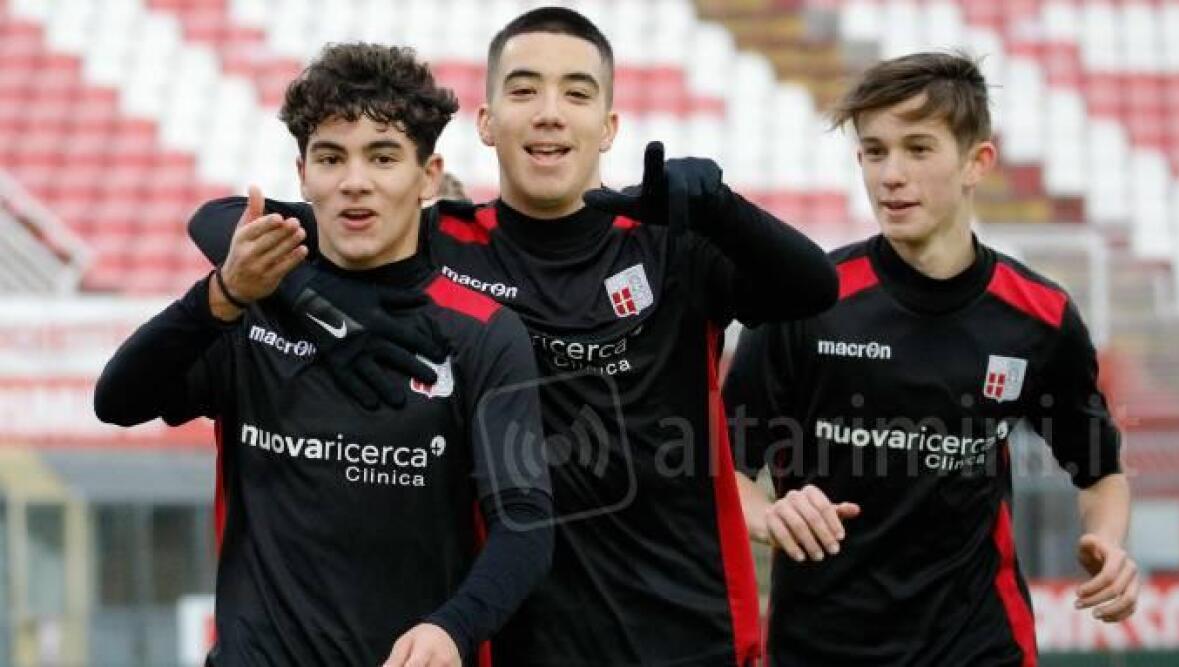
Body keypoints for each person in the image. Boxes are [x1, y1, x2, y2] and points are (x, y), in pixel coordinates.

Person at [188, 7, 838, 665]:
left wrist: (727, 211)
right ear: (488, 122)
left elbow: (814, 287)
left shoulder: (673, 247)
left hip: (691, 638)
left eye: (576, 92)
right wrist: (298, 290)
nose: (549, 111)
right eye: (524, 89)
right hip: (520, 637)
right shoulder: (438, 243)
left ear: (608, 126)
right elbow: (221, 219)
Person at [94, 43, 552, 667]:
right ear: (304, 173)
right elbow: (118, 401)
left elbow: (524, 522)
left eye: (383, 157)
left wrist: (454, 628)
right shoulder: (253, 299)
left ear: (427, 175)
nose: (354, 181)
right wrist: (221, 295)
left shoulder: (482, 332)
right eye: (331, 157)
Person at [723, 52, 1138, 666]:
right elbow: (722, 472)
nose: (891, 175)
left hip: (980, 644)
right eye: (874, 151)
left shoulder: (1038, 317)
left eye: (918, 149)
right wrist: (768, 514)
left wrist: (1105, 542)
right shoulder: (804, 301)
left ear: (978, 162)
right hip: (821, 647)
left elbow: (1100, 473)